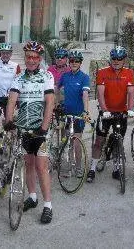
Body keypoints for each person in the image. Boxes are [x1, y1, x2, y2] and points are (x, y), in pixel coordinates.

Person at [4, 41, 55, 224]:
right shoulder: (18, 78)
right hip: (23, 129)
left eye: (35, 57)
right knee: (28, 164)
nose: (31, 60)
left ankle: (48, 205)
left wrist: (44, 127)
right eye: (28, 57)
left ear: (40, 58)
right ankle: (32, 197)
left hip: (40, 130)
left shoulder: (47, 76)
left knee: (41, 167)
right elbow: (11, 101)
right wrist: (9, 121)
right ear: (25, 58)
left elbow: (50, 102)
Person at [87, 46, 134, 183]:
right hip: (106, 112)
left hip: (122, 112)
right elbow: (100, 93)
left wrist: (130, 109)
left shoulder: (129, 73)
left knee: (117, 142)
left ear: (124, 60)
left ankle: (116, 168)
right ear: (110, 58)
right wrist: (104, 109)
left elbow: (131, 93)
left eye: (119, 58)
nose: (116, 61)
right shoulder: (102, 72)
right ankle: (92, 168)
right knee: (99, 141)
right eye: (114, 58)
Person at [58, 50, 91, 178]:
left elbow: (85, 94)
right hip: (66, 113)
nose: (74, 63)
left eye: (76, 61)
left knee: (76, 142)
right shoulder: (65, 76)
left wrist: (86, 111)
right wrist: (56, 103)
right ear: (69, 62)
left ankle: (78, 167)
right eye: (71, 61)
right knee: (67, 141)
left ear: (80, 63)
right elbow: (56, 88)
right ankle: (68, 166)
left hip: (78, 115)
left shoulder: (84, 77)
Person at [0, 42, 21, 157]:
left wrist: (18, 99)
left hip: (9, 99)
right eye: (3, 53)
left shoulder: (15, 66)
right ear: (0, 54)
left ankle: (6, 144)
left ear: (11, 54)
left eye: (8, 53)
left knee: (9, 123)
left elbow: (19, 82)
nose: (5, 55)